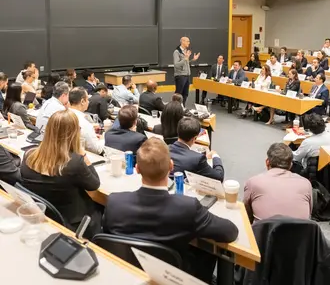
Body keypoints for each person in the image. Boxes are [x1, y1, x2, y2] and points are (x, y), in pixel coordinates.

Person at [102, 138, 238, 283]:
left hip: (128, 275)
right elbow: (230, 232)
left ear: (137, 169)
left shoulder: (114, 202)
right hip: (172, 278)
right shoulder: (188, 207)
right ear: (171, 166)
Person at [20, 110, 102, 239]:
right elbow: (95, 184)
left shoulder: (28, 156)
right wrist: (83, 154)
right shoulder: (75, 163)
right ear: (74, 133)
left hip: (45, 215)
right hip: (75, 222)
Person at [243, 143, 312, 223]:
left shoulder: (253, 182)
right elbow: (308, 214)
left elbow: (246, 215)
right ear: (291, 165)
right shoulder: (306, 184)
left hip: (264, 233)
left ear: (267, 162)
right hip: (301, 233)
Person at [69, 87, 105, 155]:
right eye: (87, 99)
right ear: (82, 101)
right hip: (80, 158)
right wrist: (103, 138)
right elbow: (97, 149)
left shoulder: (63, 114)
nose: (88, 102)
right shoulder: (84, 123)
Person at [173, 37, 200, 105]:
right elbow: (176, 65)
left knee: (185, 94)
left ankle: (182, 108)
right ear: (182, 41)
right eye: (187, 41)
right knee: (178, 95)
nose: (189, 43)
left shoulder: (185, 51)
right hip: (180, 76)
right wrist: (185, 58)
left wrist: (193, 59)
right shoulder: (177, 52)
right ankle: (175, 108)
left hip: (187, 75)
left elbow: (185, 63)